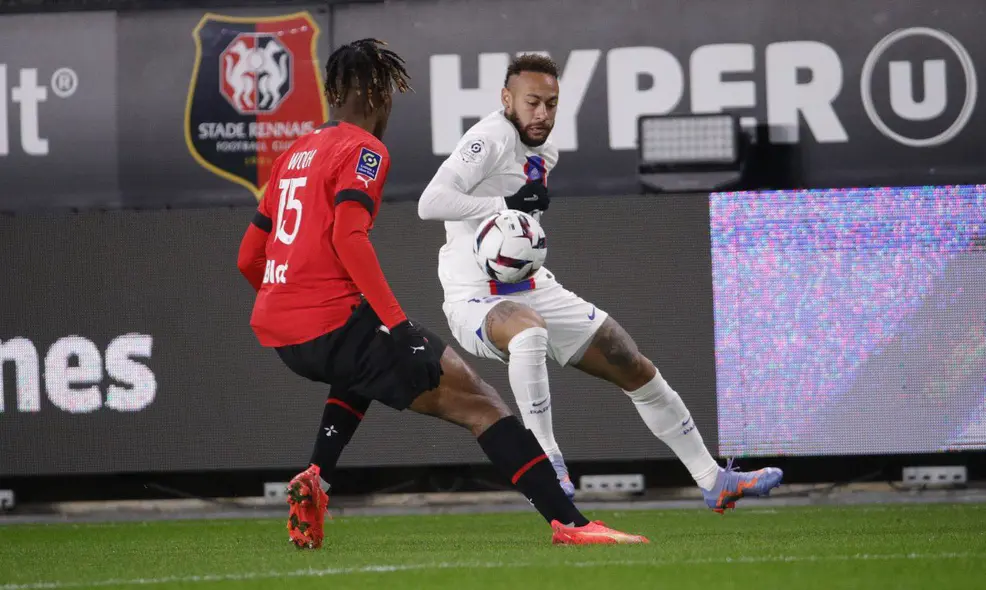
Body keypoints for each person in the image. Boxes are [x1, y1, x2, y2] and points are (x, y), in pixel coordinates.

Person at [236, 39, 647, 548]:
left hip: (282, 331)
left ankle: (317, 476)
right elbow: (348, 236)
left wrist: (289, 299)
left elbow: (248, 256)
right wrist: (399, 323)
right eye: (388, 94)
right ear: (375, 93)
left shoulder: (293, 153)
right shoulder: (363, 149)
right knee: (483, 404)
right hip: (331, 323)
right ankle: (574, 524)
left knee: (360, 368)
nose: (389, 108)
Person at [416, 53, 783, 509]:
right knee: (528, 331)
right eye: (532, 102)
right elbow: (430, 202)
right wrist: (503, 203)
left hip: (531, 285)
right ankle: (546, 459)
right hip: (475, 297)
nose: (543, 114)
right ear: (506, 99)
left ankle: (713, 480)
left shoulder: (545, 151)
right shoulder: (489, 138)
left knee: (627, 359)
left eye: (551, 104)